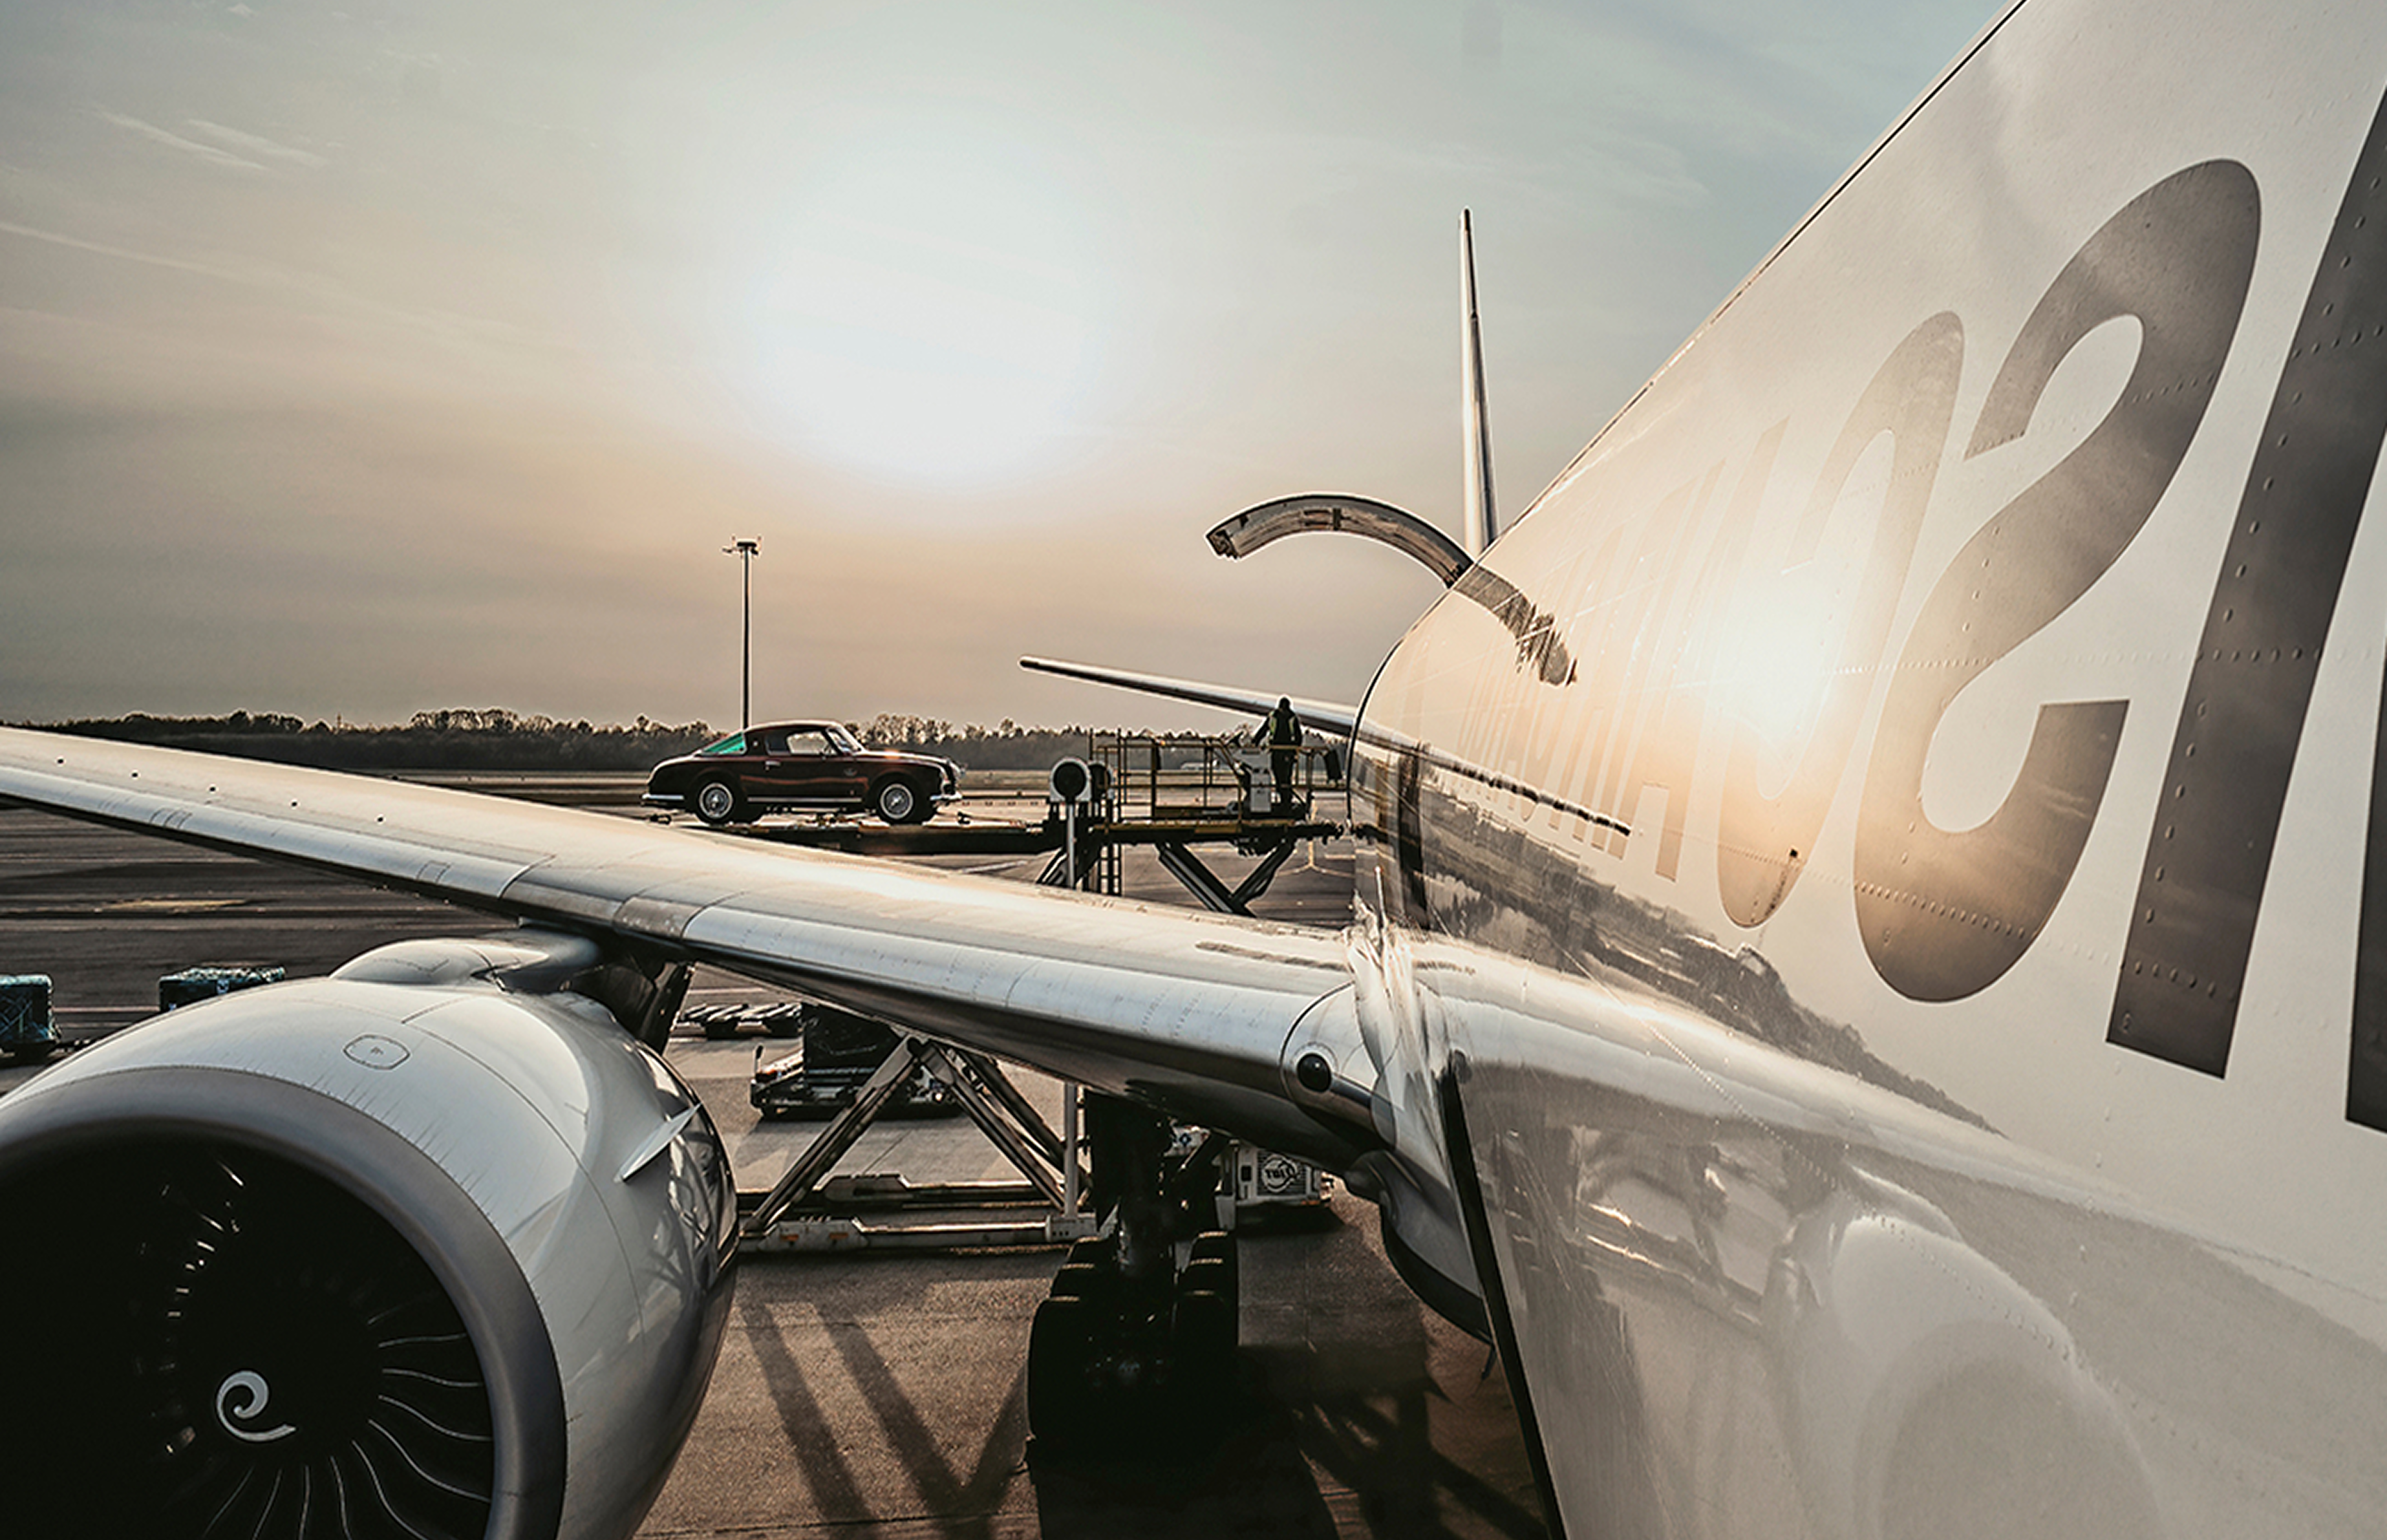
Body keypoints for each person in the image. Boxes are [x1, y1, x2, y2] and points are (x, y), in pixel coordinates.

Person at [1258, 697, 1302, 811]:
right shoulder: (1285, 717)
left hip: (1283, 751)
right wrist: (1255, 741)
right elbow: (1264, 729)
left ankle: (1285, 801)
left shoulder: (1287, 717)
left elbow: (1298, 736)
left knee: (1284, 777)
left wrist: (1255, 741)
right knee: (1281, 776)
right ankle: (1284, 799)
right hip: (1280, 751)